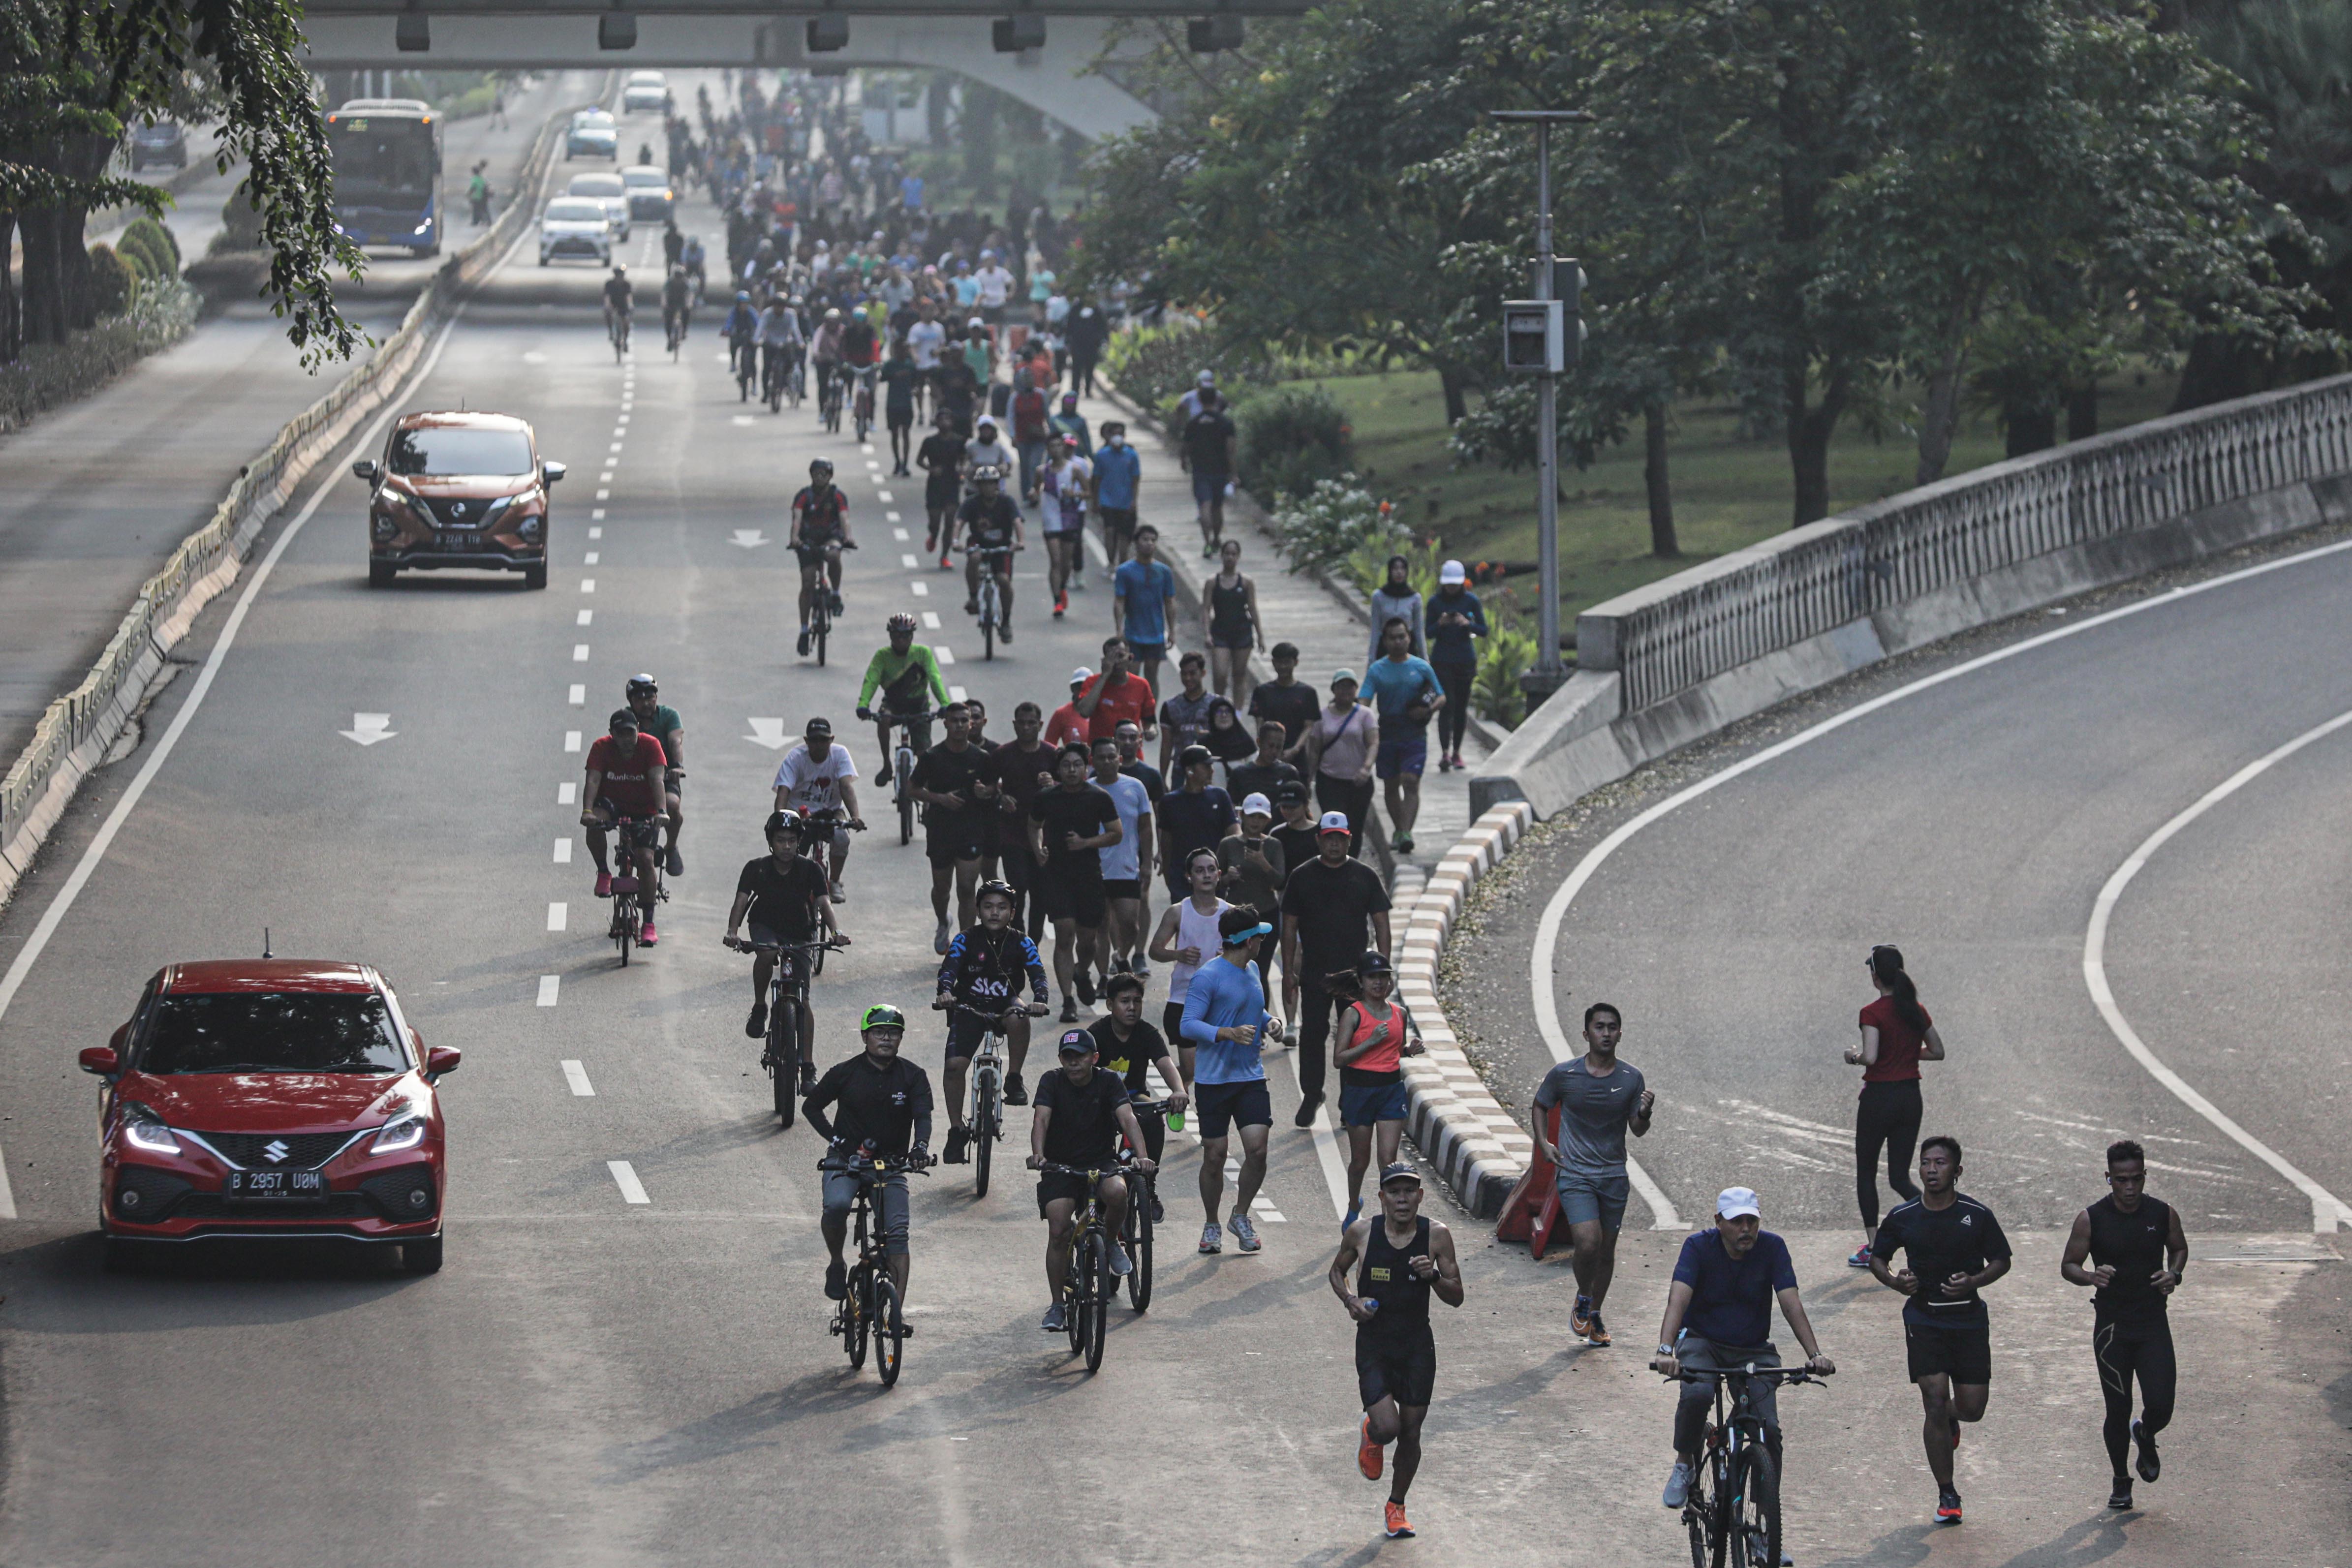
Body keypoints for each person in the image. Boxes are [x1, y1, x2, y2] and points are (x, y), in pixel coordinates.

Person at [1651, 1188, 1837, 1513]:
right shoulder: (1697, 1247)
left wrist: (1814, 1353)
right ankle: (1684, 1463)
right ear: (1719, 1221)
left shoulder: (1773, 1247)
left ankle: (1767, 1526)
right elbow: (1678, 1299)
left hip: (1753, 1348)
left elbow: (1791, 1302)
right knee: (1698, 1395)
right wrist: (1666, 1349)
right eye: (1737, 1221)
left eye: (1752, 1220)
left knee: (1769, 1429)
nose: (1746, 1228)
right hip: (1701, 1341)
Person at [1869, 1136, 2013, 1526]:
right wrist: (1895, 1281)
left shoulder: (1976, 1214)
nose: (1932, 1170)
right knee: (1933, 1398)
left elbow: (2003, 1259)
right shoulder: (1904, 1216)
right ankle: (1947, 1492)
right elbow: (1878, 1259)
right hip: (1924, 1319)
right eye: (1926, 1163)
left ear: (1957, 1171)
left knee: (1972, 1408)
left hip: (1968, 1319)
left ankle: (1952, 1417)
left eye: (1941, 1163)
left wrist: (1975, 1280)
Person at [1332, 1162, 1463, 1542]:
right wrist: (1350, 1300)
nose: (1402, 1199)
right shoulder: (1362, 1233)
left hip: (1417, 1345)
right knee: (1389, 1427)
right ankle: (1372, 1431)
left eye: (1410, 1191)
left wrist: (1434, 1276)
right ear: (1382, 1197)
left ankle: (1397, 1506)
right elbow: (1336, 1272)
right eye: (1395, 1191)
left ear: (1421, 1196)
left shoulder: (1437, 1236)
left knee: (1411, 1431)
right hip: (1374, 1342)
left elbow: (1457, 1297)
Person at [2061, 1139, 2186, 1511]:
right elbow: (2069, 1264)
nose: (2129, 1188)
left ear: (2145, 1176)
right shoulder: (2091, 1218)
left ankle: (2146, 1432)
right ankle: (2121, 1479)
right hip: (2112, 1329)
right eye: (2121, 1180)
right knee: (2117, 1407)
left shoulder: (2163, 1213)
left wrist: (2174, 1273)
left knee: (2162, 1405)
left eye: (2135, 1179)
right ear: (2108, 1178)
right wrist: (2090, 1276)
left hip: (2152, 1325)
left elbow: (2179, 1247)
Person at [1530, 1001, 1655, 1347]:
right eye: (1599, 1027)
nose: (1606, 1033)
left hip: (1614, 1175)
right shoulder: (1565, 1075)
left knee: (1607, 1250)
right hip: (1576, 1174)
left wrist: (1644, 1112)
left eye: (1612, 1027)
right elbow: (1541, 1104)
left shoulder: (1631, 1078)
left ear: (1620, 1033)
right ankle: (1584, 1298)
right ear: (1587, 1034)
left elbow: (1637, 1129)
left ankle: (1595, 1313)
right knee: (1588, 1242)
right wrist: (1544, 1142)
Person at [804, 1005, 934, 1316]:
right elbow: (811, 1107)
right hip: (845, 1161)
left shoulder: (913, 1075)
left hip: (890, 1165)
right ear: (865, 1037)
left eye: (893, 1032)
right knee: (836, 1206)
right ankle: (837, 1262)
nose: (886, 1038)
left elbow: (923, 1116)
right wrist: (840, 1144)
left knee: (898, 1235)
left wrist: (920, 1149)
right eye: (878, 1032)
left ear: (901, 1038)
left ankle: (895, 1315)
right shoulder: (845, 1072)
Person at [1028, 1027, 1158, 1330]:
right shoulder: (1051, 1081)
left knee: (1117, 1193)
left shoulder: (1109, 1081)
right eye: (1067, 1057)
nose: (1074, 1063)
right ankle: (1058, 1305)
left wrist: (1142, 1156)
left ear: (1094, 1058)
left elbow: (1128, 1118)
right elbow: (1041, 1119)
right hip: (1059, 1166)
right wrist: (1038, 1154)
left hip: (1100, 1162)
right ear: (1061, 1059)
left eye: (1080, 1057)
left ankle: (1111, 1240)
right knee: (1059, 1228)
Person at [1279, 813, 1392, 1125]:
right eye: (1328, 837)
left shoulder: (1364, 876)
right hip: (1315, 971)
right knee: (1313, 1035)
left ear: (1348, 840)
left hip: (1355, 975)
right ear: (1318, 839)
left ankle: (1349, 1102)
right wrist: (1289, 971)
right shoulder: (1302, 876)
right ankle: (1312, 1094)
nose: (1334, 843)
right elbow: (1289, 927)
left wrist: (1383, 971)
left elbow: (1381, 921)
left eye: (1340, 837)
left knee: (1355, 1037)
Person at [1181, 907, 1278, 1255]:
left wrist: (1269, 1021)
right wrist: (1227, 1033)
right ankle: (1212, 1223)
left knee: (1258, 1149)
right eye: (1260, 937)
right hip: (1214, 1081)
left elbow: (1251, 1007)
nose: (1263, 942)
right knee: (1215, 1154)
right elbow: (1187, 1024)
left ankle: (1241, 1215)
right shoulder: (1208, 976)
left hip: (1250, 1076)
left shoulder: (1251, 969)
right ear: (1248, 941)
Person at [722, 810, 844, 1082]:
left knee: (804, 1000)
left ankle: (809, 1066)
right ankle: (759, 1006)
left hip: (801, 931)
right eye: (780, 840)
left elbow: (824, 903)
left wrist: (836, 932)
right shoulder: (756, 868)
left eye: (792, 840)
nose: (786, 846)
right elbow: (741, 901)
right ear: (770, 841)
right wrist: (732, 931)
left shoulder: (812, 869)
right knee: (767, 952)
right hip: (764, 926)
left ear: (799, 841)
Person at [933, 879, 1051, 1157]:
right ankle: (955, 1131)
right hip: (969, 1008)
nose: (994, 913)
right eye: (988, 907)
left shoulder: (1023, 942)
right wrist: (945, 993)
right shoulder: (964, 939)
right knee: (954, 1067)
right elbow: (948, 970)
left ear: (1012, 912)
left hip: (1005, 1005)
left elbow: (1038, 973)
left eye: (1002, 907)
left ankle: (1013, 1078)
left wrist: (1041, 1000)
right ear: (978, 910)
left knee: (1020, 1015)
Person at [1847, 944, 1946, 1268]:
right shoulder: (1914, 1008)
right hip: (1909, 1098)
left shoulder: (1872, 1013)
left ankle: (1875, 1248)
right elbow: (1937, 1050)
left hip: (1879, 1099)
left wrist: (1853, 1057)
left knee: (1867, 1172)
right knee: (1900, 1177)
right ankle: (1939, 1222)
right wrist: (1904, 1052)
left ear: (1876, 977)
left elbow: (1871, 1057)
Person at [1028, 744, 1123, 1023]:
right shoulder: (1046, 797)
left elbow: (1116, 833)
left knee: (1088, 940)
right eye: (1066, 765)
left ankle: (1083, 972)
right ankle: (1068, 1001)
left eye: (1077, 765)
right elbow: (1033, 825)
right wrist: (1038, 850)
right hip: (1056, 875)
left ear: (1086, 767)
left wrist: (1086, 843)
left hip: (1089, 875)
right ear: (1059, 769)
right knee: (1065, 933)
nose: (1071, 770)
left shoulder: (1099, 797)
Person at [1334, 952, 1422, 1226]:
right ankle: (1352, 1207)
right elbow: (1339, 1059)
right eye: (1373, 977)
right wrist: (1370, 1042)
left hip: (1391, 1090)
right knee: (1360, 1161)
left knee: (1389, 1160)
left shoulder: (1400, 1014)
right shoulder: (1353, 1014)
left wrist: (1409, 1051)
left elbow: (1395, 1050)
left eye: (1384, 976)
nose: (1379, 982)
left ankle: (1389, 1220)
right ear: (1361, 981)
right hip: (1359, 1091)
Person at [907, 703, 997, 953]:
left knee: (967, 888)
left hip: (971, 829)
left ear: (972, 724)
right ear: (945, 723)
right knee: (942, 888)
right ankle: (943, 920)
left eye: (964, 720)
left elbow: (994, 787)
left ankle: (964, 944)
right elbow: (911, 789)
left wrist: (985, 791)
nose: (959, 725)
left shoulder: (982, 758)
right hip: (941, 830)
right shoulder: (932, 757)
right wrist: (940, 799)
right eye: (954, 720)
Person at [581, 707, 667, 944]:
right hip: (613, 804)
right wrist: (587, 811)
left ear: (638, 730)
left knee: (645, 859)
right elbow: (593, 779)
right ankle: (604, 872)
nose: (627, 740)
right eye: (621, 735)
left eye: (631, 733)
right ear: (612, 734)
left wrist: (662, 812)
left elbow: (657, 779)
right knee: (595, 823)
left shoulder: (651, 746)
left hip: (645, 809)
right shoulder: (601, 748)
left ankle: (648, 923)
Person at [1358, 619, 1444, 856]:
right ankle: (1400, 829)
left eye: (1402, 637)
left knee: (1411, 780)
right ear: (1385, 641)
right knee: (1391, 783)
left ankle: (1406, 832)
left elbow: (1441, 696)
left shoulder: (1422, 667)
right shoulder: (1377, 670)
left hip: (1414, 732)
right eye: (1393, 638)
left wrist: (1427, 711)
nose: (1398, 642)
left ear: (1409, 638)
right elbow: (1365, 699)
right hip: (1387, 731)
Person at [1089, 973, 1187, 1177]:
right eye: (1125, 1001)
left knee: (1153, 1118)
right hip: (1100, 1100)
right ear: (1110, 1004)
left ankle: (1148, 1186)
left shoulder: (1148, 1033)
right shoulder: (1096, 1034)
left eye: (1137, 1001)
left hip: (1133, 1099)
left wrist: (1178, 1090)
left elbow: (1166, 1063)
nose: (1132, 1007)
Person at [1148, 849, 1230, 1086]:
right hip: (1185, 999)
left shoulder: (1232, 913)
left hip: (1221, 1000)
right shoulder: (1178, 912)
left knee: (1215, 1070)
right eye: (1199, 870)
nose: (1206, 875)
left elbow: (1249, 954)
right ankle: (1178, 1090)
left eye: (1211, 869)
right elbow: (1155, 950)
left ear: (1219, 875)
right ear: (1189, 877)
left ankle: (1195, 1106)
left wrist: (1230, 956)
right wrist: (1179, 954)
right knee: (1191, 1069)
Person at [771, 716, 865, 901]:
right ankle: (788, 881)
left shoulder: (840, 754)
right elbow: (783, 792)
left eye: (824, 740)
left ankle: (835, 881)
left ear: (832, 740)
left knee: (841, 837)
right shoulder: (795, 758)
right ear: (806, 741)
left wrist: (855, 817)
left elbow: (846, 787)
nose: (819, 745)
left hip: (830, 810)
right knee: (789, 846)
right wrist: (779, 820)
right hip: (799, 812)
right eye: (814, 740)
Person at [990, 702, 1060, 940]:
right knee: (1017, 888)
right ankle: (1018, 938)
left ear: (1040, 725)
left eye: (1032, 723)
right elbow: (987, 788)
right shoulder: (1003, 754)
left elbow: (1070, 789)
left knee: (1041, 893)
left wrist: (1053, 785)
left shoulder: (1052, 754)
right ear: (1014, 724)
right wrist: (1001, 798)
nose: (1026, 727)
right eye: (1022, 722)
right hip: (1012, 835)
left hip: (1043, 836)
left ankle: (1034, 942)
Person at [1090, 738, 1153, 996]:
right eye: (1101, 757)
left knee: (1131, 924)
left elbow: (1146, 826)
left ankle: (1121, 956)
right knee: (1101, 926)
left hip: (1127, 867)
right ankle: (1104, 977)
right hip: (1095, 869)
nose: (1107, 761)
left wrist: (1148, 862)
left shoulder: (1135, 787)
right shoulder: (1087, 789)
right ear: (1092, 760)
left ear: (1119, 758)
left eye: (1111, 756)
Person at [855, 612, 951, 775]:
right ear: (890, 636)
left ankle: (926, 794)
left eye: (906, 636)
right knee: (884, 719)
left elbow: (935, 678)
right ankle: (887, 765)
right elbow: (871, 680)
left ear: (912, 636)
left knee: (924, 752)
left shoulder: (923, 653)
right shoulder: (882, 656)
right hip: (893, 702)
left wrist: (945, 704)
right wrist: (863, 704)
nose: (901, 640)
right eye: (897, 635)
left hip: (919, 704)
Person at [1301, 671, 1377, 856]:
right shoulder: (1322, 715)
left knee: (1355, 826)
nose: (1346, 691)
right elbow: (1315, 749)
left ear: (1356, 690)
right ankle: (1331, 859)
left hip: (1358, 781)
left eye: (1350, 686)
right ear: (1334, 689)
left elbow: (1373, 743)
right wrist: (1308, 780)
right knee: (1333, 825)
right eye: (1341, 686)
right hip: (1330, 780)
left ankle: (1353, 862)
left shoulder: (1365, 715)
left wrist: (1366, 768)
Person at [1424, 562, 1487, 772]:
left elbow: (1484, 629)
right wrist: (1440, 623)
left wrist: (1467, 624)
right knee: (1446, 704)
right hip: (1442, 660)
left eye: (1455, 585)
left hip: (1464, 660)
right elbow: (1428, 633)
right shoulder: (1435, 603)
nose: (1451, 589)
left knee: (1461, 707)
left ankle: (1457, 752)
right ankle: (1444, 752)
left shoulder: (1471, 601)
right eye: (1448, 585)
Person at [790, 459, 855, 656]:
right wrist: (795, 539)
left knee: (834, 556)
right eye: (816, 473)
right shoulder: (803, 496)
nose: (820, 476)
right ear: (811, 475)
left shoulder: (838, 496)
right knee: (808, 584)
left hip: (831, 537)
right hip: (808, 540)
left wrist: (849, 538)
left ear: (830, 475)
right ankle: (803, 631)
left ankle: (835, 594)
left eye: (824, 473)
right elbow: (797, 519)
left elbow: (845, 519)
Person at [623, 674, 686, 876]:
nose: (646, 703)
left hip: (665, 778)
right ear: (631, 702)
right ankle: (625, 851)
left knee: (673, 805)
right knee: (624, 815)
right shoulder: (626, 719)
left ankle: (671, 846)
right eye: (640, 699)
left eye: (650, 697)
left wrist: (677, 767)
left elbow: (676, 742)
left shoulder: (669, 716)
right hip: (633, 779)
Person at [1156, 745, 1235, 904]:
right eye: (1206, 766)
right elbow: (1166, 843)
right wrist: (1169, 878)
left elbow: (1234, 833)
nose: (1212, 770)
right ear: (1190, 771)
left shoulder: (1220, 797)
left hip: (1215, 878)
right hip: (1183, 880)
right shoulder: (1170, 802)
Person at [956, 464, 1023, 639]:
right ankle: (973, 597)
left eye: (992, 483)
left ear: (997, 485)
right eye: (984, 484)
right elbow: (959, 523)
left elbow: (1017, 522)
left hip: (1002, 547)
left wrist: (1020, 542)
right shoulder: (971, 503)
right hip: (979, 543)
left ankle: (1006, 622)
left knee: (1004, 581)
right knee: (974, 558)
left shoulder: (1007, 502)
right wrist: (956, 541)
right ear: (978, 486)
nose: (988, 488)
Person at [1113, 525, 1177, 693]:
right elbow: (1120, 601)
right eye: (1145, 539)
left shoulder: (1164, 572)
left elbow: (1169, 602)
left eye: (1153, 540)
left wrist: (1172, 631)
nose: (1149, 544)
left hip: (1156, 634)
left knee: (1151, 676)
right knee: (1132, 676)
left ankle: (1149, 714)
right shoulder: (1125, 571)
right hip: (1133, 633)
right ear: (1136, 543)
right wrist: (1119, 629)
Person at [1201, 537, 1264, 704]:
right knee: (1220, 674)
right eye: (1227, 554)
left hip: (1242, 632)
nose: (1230, 558)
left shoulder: (1246, 582)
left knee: (1239, 674)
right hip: (1220, 632)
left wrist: (1260, 636)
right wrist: (1207, 633)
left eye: (1234, 554)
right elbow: (1206, 609)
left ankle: (1237, 713)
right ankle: (1220, 705)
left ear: (1238, 557)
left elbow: (1253, 608)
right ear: (1222, 556)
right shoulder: (1212, 582)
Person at [1180, 386, 1238, 557]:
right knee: (1217, 508)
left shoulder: (1194, 422)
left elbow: (1186, 446)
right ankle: (1217, 538)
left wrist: (1184, 461)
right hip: (1220, 471)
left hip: (1200, 470)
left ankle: (1206, 542)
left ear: (1200, 400)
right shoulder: (1226, 423)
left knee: (1204, 506)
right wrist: (1234, 474)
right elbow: (1231, 451)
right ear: (1217, 400)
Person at [1040, 434, 1091, 615]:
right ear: (1048, 450)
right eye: (1052, 446)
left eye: (1058, 446)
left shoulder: (1075, 469)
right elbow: (1035, 488)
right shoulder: (1042, 471)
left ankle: (1062, 587)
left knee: (1066, 561)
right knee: (1055, 560)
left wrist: (1074, 495)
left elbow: (1088, 492)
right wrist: (1033, 494)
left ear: (1064, 448)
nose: (1056, 450)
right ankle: (1056, 602)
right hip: (1051, 520)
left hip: (1070, 518)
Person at [1074, 636, 1156, 744]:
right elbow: (1085, 712)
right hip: (1101, 754)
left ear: (1130, 658)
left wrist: (1151, 731)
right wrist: (1104, 676)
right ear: (1104, 660)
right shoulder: (1092, 682)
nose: (1116, 662)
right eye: (1111, 658)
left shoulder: (1142, 685)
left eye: (1120, 656)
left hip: (1131, 754)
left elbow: (1150, 721)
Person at [1249, 642, 1323, 755]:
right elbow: (1260, 724)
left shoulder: (1308, 693)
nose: (1283, 666)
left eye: (1287, 662)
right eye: (1279, 662)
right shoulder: (1262, 691)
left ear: (1296, 663)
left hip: (1298, 756)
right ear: (1273, 663)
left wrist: (1295, 749)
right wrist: (1269, 748)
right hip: (1269, 754)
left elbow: (1309, 727)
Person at [915, 409, 964, 563]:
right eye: (941, 420)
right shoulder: (930, 442)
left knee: (950, 520)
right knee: (935, 521)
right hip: (935, 485)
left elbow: (964, 459)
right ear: (937, 423)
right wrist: (931, 469)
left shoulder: (959, 441)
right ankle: (933, 536)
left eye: (947, 420)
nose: (944, 423)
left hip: (952, 483)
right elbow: (919, 460)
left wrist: (961, 470)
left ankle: (944, 555)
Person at [1093, 421, 1142, 565]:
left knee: (1124, 536)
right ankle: (1110, 562)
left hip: (1126, 502)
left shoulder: (1132, 455)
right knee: (1110, 531)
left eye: (1120, 434)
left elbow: (1136, 479)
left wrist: (1134, 500)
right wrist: (1096, 501)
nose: (1117, 437)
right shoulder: (1102, 455)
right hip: (1108, 501)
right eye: (1114, 434)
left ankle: (1122, 562)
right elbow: (1097, 479)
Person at [1225, 721, 1302, 809]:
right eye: (1271, 746)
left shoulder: (1289, 773)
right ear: (1259, 742)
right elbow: (1230, 808)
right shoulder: (1240, 774)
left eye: (1279, 747)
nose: (1274, 752)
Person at [1367, 555, 1424, 662]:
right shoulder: (1379, 596)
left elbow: (1419, 630)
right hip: (1385, 648)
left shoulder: (1415, 598)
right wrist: (1372, 658)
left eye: (1403, 568)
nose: (1399, 572)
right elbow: (1375, 630)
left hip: (1408, 649)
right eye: (1395, 568)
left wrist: (1425, 659)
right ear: (1390, 571)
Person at [879, 337, 920, 475]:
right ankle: (897, 461)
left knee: (906, 433)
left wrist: (914, 389)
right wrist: (894, 375)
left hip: (906, 404)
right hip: (893, 403)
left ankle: (905, 463)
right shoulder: (890, 365)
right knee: (895, 434)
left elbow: (916, 382)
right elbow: (882, 377)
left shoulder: (910, 365)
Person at [756, 291, 802, 405]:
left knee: (790, 364)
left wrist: (800, 342)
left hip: (785, 343)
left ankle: (786, 384)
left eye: (781, 306)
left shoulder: (791, 315)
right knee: (767, 368)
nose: (779, 308)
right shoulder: (767, 314)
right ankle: (766, 393)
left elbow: (795, 330)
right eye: (777, 305)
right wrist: (756, 340)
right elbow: (760, 328)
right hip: (770, 343)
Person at [1066, 299, 1108, 397]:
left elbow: (1103, 326)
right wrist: (1068, 340)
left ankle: (1088, 390)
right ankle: (1075, 390)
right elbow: (1069, 325)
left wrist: (1103, 339)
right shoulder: (1075, 308)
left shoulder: (1097, 309)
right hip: (1077, 344)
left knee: (1090, 368)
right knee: (1076, 367)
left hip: (1092, 344)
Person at [1045, 667, 1092, 752]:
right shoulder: (1062, 714)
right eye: (1080, 686)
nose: (1083, 689)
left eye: (1088, 685)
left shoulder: (1102, 711)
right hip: (1073, 764)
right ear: (1073, 689)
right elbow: (1049, 745)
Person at [721, 289, 759, 382]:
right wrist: (726, 330)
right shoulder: (734, 312)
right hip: (739, 335)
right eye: (742, 304)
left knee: (753, 360)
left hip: (750, 336)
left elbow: (758, 323)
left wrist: (759, 334)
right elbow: (729, 322)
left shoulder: (751, 312)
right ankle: (733, 362)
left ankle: (754, 384)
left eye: (745, 304)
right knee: (733, 343)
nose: (744, 306)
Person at [601, 264, 634, 344]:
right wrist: (607, 306)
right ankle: (611, 331)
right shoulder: (609, 284)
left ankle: (626, 340)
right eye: (619, 276)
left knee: (626, 322)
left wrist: (630, 305)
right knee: (608, 314)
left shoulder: (627, 285)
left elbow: (629, 296)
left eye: (622, 276)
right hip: (613, 304)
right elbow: (607, 297)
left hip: (623, 305)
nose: (620, 278)